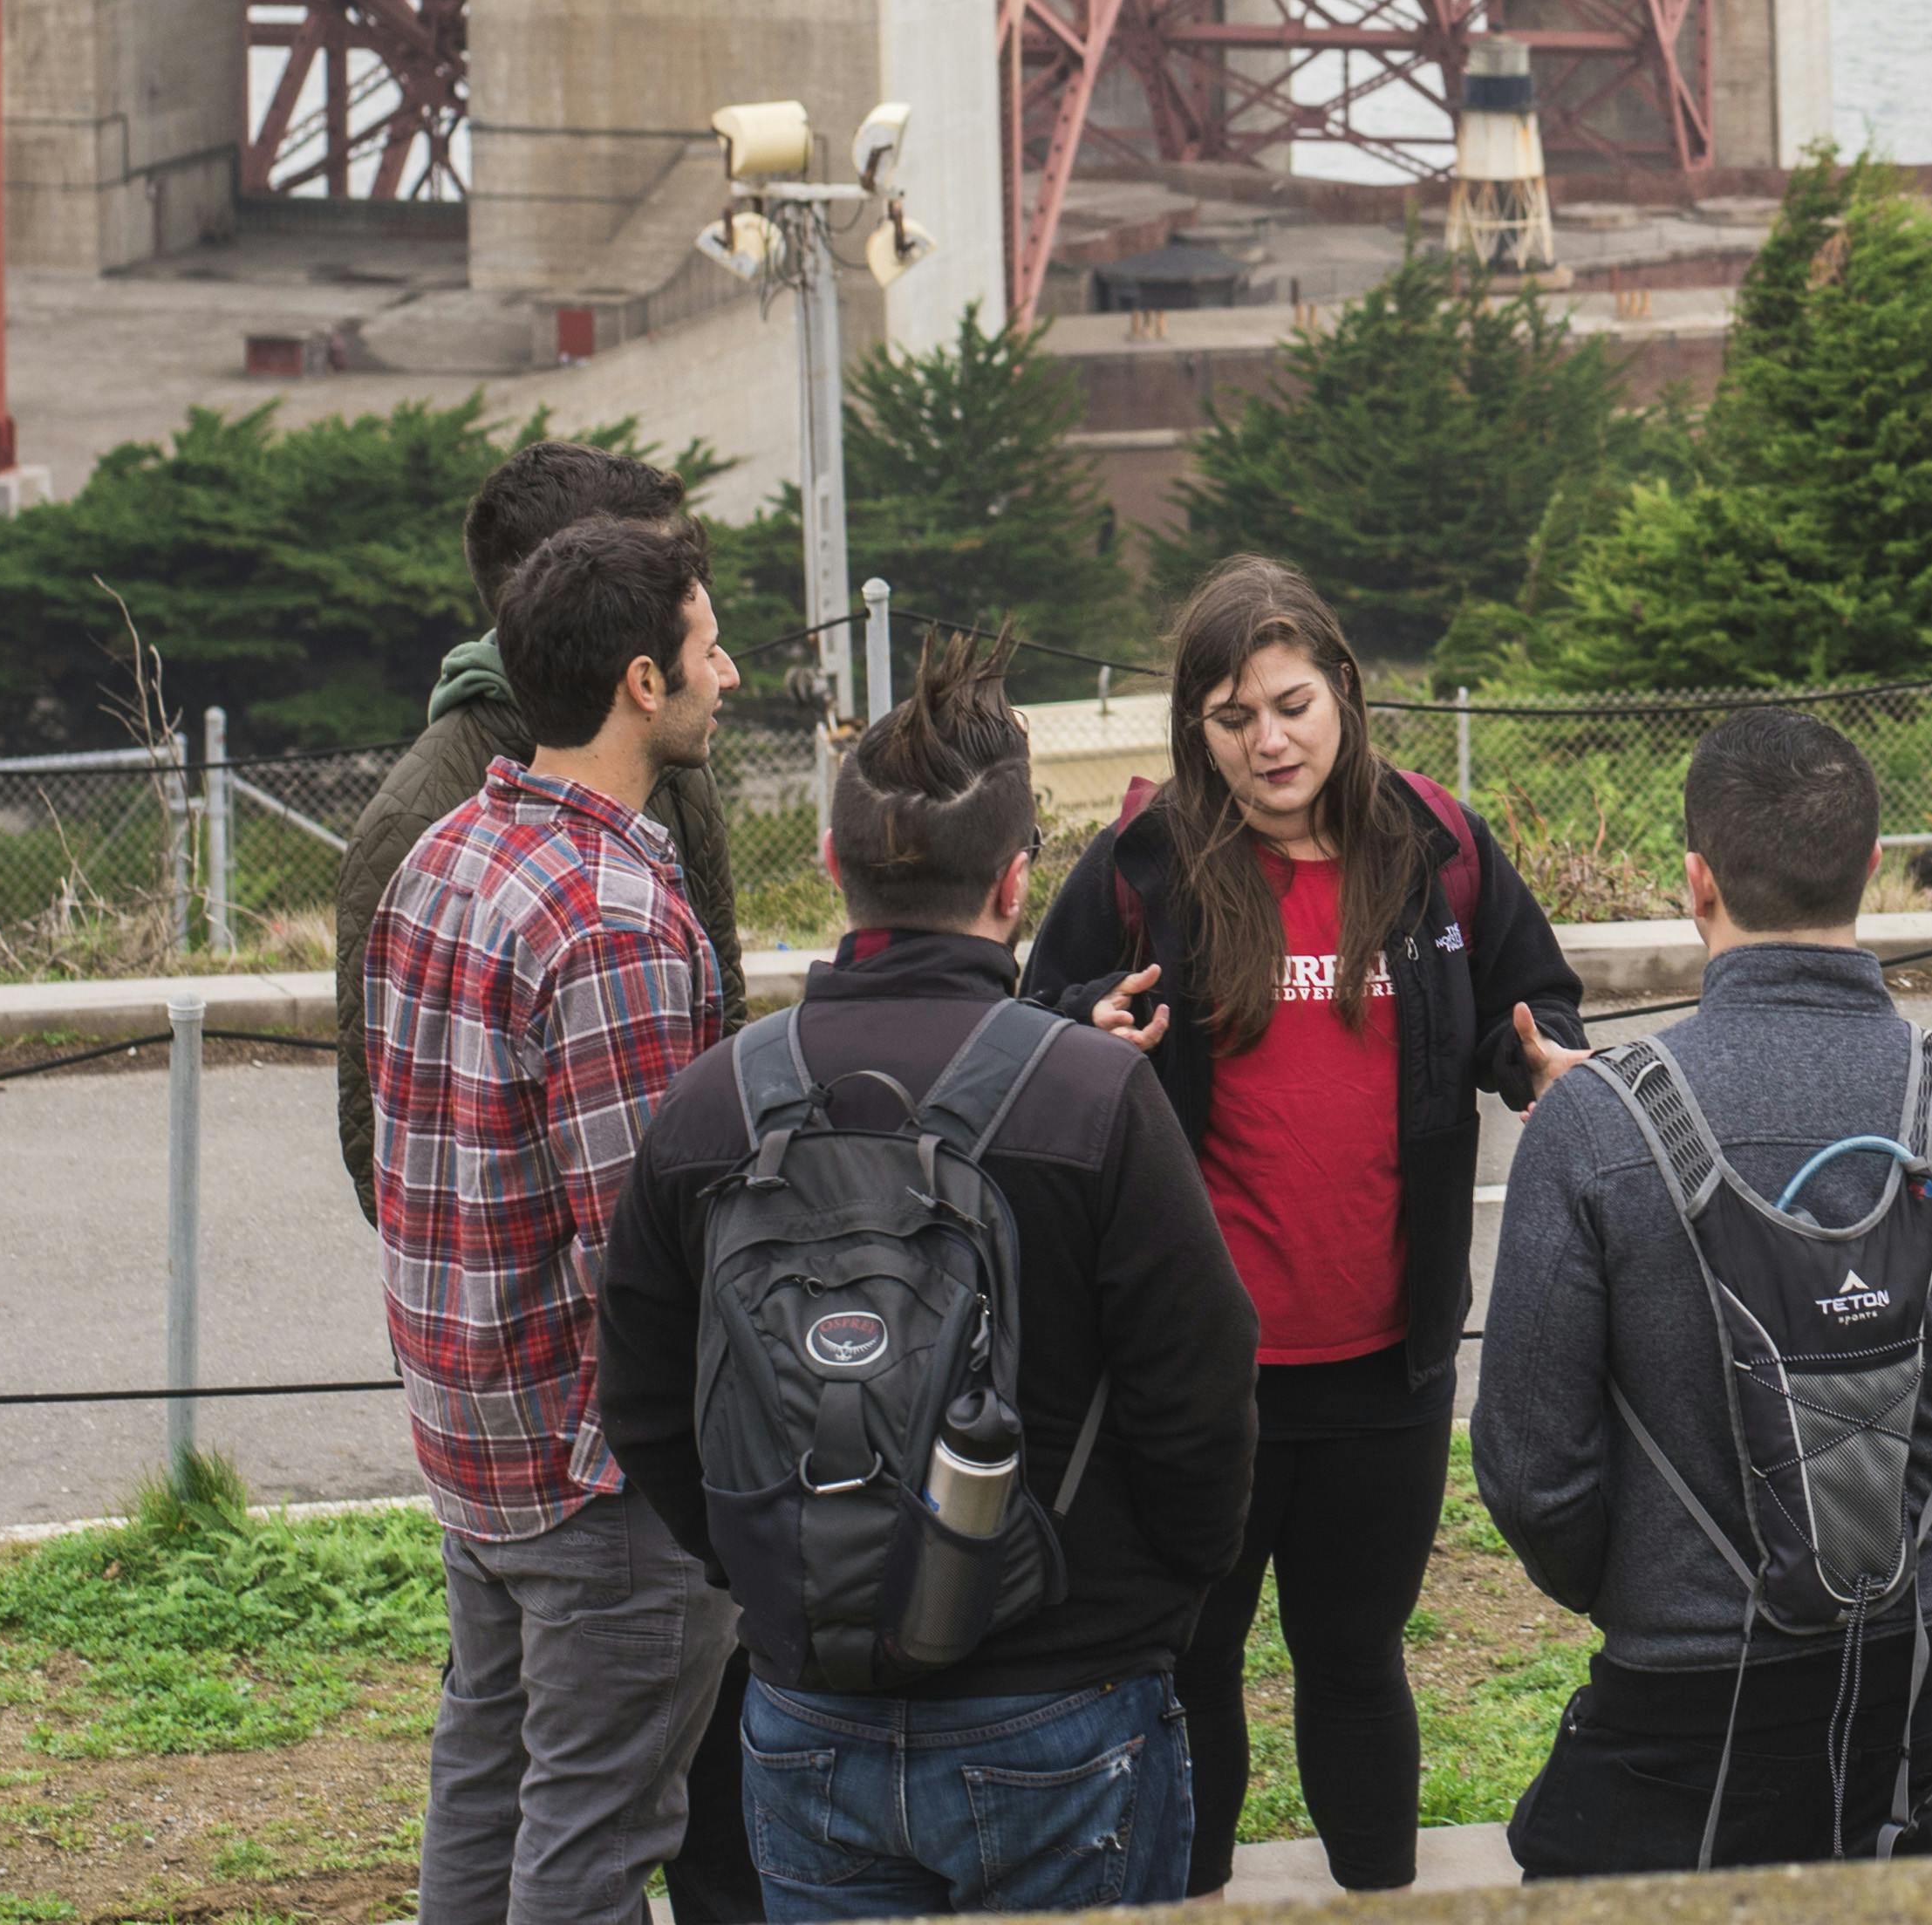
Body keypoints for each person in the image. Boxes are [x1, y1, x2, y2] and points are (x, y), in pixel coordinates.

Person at [601, 639, 1260, 1917]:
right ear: (1018, 883)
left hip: (807, 1706)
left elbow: (640, 1399)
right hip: (1067, 1692)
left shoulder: (714, 1105)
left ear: (833, 867)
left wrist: (769, 1571)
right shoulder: (1094, 1094)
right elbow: (1202, 1389)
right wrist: (1146, 1608)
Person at [1014, 556, 1587, 1896]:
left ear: (1343, 690)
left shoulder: (1439, 846)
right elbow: (1031, 1021)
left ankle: (1380, 1892)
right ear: (1195, 730)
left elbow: (1533, 1002)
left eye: (1290, 703)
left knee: (1355, 1656)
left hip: (1387, 1362)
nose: (1269, 741)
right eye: (1232, 717)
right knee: (1193, 1662)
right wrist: (1079, 1026)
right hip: (1199, 1376)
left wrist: (1541, 1059)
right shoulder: (1143, 867)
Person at [1472, 706, 1932, 1873]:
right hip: (1931, 1662)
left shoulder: (1594, 1128)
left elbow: (1530, 1475)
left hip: (1684, 1682)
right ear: (1870, 868)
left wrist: (1648, 1579)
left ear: (1695, 880)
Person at [366, 514, 751, 1925]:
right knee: (593, 1840)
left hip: (475, 1438)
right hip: (603, 1476)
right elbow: (651, 1252)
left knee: (483, 1784)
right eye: (713, 647)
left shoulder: (451, 854)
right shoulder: (614, 916)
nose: (735, 673)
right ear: (643, 680)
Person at [341, 438, 744, 1205]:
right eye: (637, 564)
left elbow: (717, 1033)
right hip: (540, 1309)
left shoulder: (671, 768)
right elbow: (387, 1147)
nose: (725, 672)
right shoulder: (418, 820)